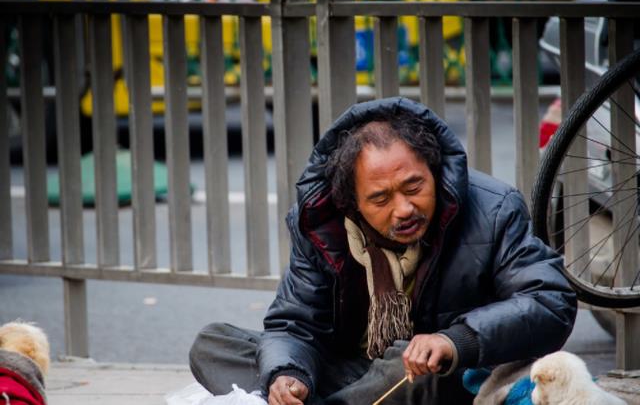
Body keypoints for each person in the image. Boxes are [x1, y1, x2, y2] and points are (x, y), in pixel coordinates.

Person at [189, 97, 577, 404]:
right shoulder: (321, 225)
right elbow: (296, 325)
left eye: (413, 187)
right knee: (215, 344)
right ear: (350, 201)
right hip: (353, 372)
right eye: (380, 198)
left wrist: (454, 340)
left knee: (404, 367)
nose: (404, 209)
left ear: (435, 170)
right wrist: (285, 376)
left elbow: (549, 301)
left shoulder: (493, 208)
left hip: (431, 378)